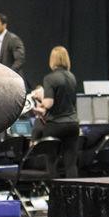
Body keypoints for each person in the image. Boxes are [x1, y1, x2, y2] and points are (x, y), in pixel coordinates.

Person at [32, 46, 80, 178]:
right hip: (73, 124)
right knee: (71, 164)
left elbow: (49, 103)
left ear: (52, 60)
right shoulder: (72, 77)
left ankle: (55, 194)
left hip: (56, 125)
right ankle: (73, 195)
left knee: (51, 162)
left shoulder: (50, 78)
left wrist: (39, 96)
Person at [0, 12, 25, 77]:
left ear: (4, 25)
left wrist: (9, 74)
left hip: (13, 78)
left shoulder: (13, 39)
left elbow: (19, 60)